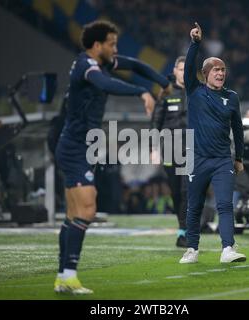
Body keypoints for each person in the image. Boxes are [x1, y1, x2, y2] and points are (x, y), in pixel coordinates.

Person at [54, 20, 171, 294]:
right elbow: (105, 84)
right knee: (87, 210)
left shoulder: (103, 62)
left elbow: (137, 65)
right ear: (97, 46)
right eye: (112, 44)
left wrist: (163, 82)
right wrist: (141, 91)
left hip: (84, 146)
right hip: (75, 147)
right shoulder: (87, 66)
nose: (116, 49)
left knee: (73, 215)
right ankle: (69, 276)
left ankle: (63, 277)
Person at [179, 23, 246, 264]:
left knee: (225, 205)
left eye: (223, 69)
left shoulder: (232, 97)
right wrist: (195, 44)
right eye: (215, 70)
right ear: (205, 74)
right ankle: (192, 249)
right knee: (194, 206)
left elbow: (238, 130)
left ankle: (228, 248)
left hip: (221, 160)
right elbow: (188, 68)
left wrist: (239, 158)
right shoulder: (194, 91)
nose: (220, 73)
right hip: (197, 159)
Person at [151, 56, 188, 247]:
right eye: (180, 69)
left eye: (186, 69)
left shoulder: (196, 91)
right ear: (175, 71)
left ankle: (185, 232)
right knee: (175, 192)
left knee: (186, 190)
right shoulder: (166, 92)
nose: (183, 72)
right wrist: (154, 149)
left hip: (191, 149)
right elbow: (155, 122)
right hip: (170, 149)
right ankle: (182, 228)